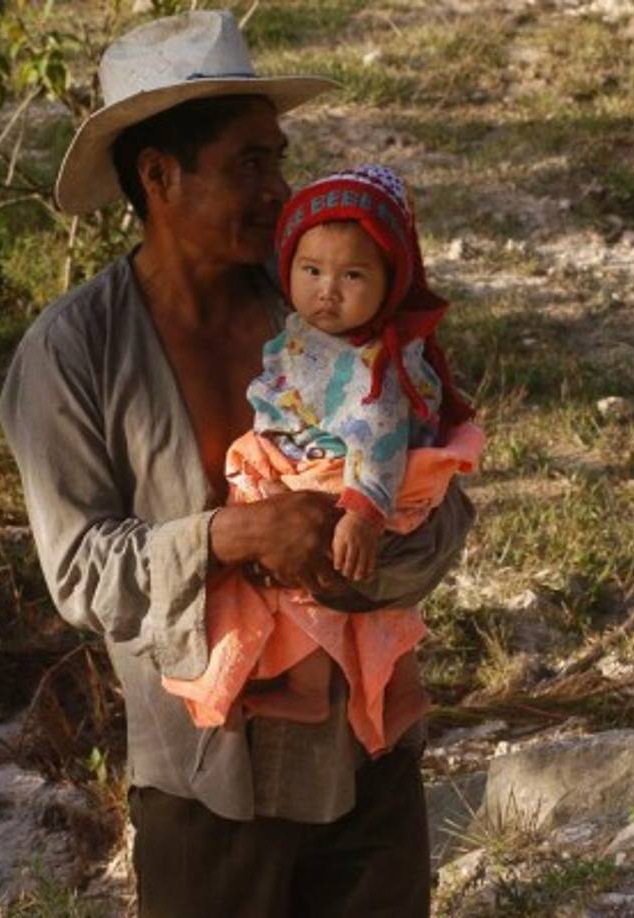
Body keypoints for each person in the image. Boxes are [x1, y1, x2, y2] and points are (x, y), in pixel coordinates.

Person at [0, 10, 472, 916]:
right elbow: (79, 570)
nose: (279, 190)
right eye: (250, 164)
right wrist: (235, 533)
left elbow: (442, 499)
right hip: (203, 784)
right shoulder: (72, 353)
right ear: (158, 175)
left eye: (279, 160)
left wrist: (361, 562)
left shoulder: (337, 313)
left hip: (363, 753)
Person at [160, 164, 482, 753]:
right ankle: (401, 687)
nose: (327, 290)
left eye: (353, 275)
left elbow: (379, 440)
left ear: (392, 283)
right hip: (321, 455)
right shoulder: (321, 333)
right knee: (365, 602)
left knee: (306, 583)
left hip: (349, 476)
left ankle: (309, 688)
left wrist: (361, 511)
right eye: (311, 271)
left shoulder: (373, 365)